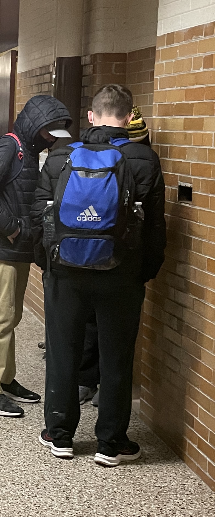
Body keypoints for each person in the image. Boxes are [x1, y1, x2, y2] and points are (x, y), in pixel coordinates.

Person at [34, 85, 166, 465]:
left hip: (65, 272)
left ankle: (59, 435)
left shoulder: (60, 157)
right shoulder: (145, 158)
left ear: (91, 117)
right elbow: (156, 226)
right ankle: (111, 442)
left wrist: (50, 266)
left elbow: (37, 219)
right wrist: (144, 272)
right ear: (128, 118)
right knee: (117, 356)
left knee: (63, 351)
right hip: (121, 275)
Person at [0, 95, 72, 418]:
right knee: (1, 316)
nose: (53, 138)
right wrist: (11, 228)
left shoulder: (29, 152)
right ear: (36, 126)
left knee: (12, 316)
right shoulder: (8, 148)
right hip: (5, 247)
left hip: (19, 248)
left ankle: (6, 378)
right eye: (49, 131)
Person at [77, 105, 152, 409]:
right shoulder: (143, 159)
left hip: (81, 254)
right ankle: (107, 394)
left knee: (88, 322)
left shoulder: (76, 152)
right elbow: (151, 219)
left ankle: (84, 382)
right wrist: (148, 264)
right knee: (117, 334)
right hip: (123, 257)